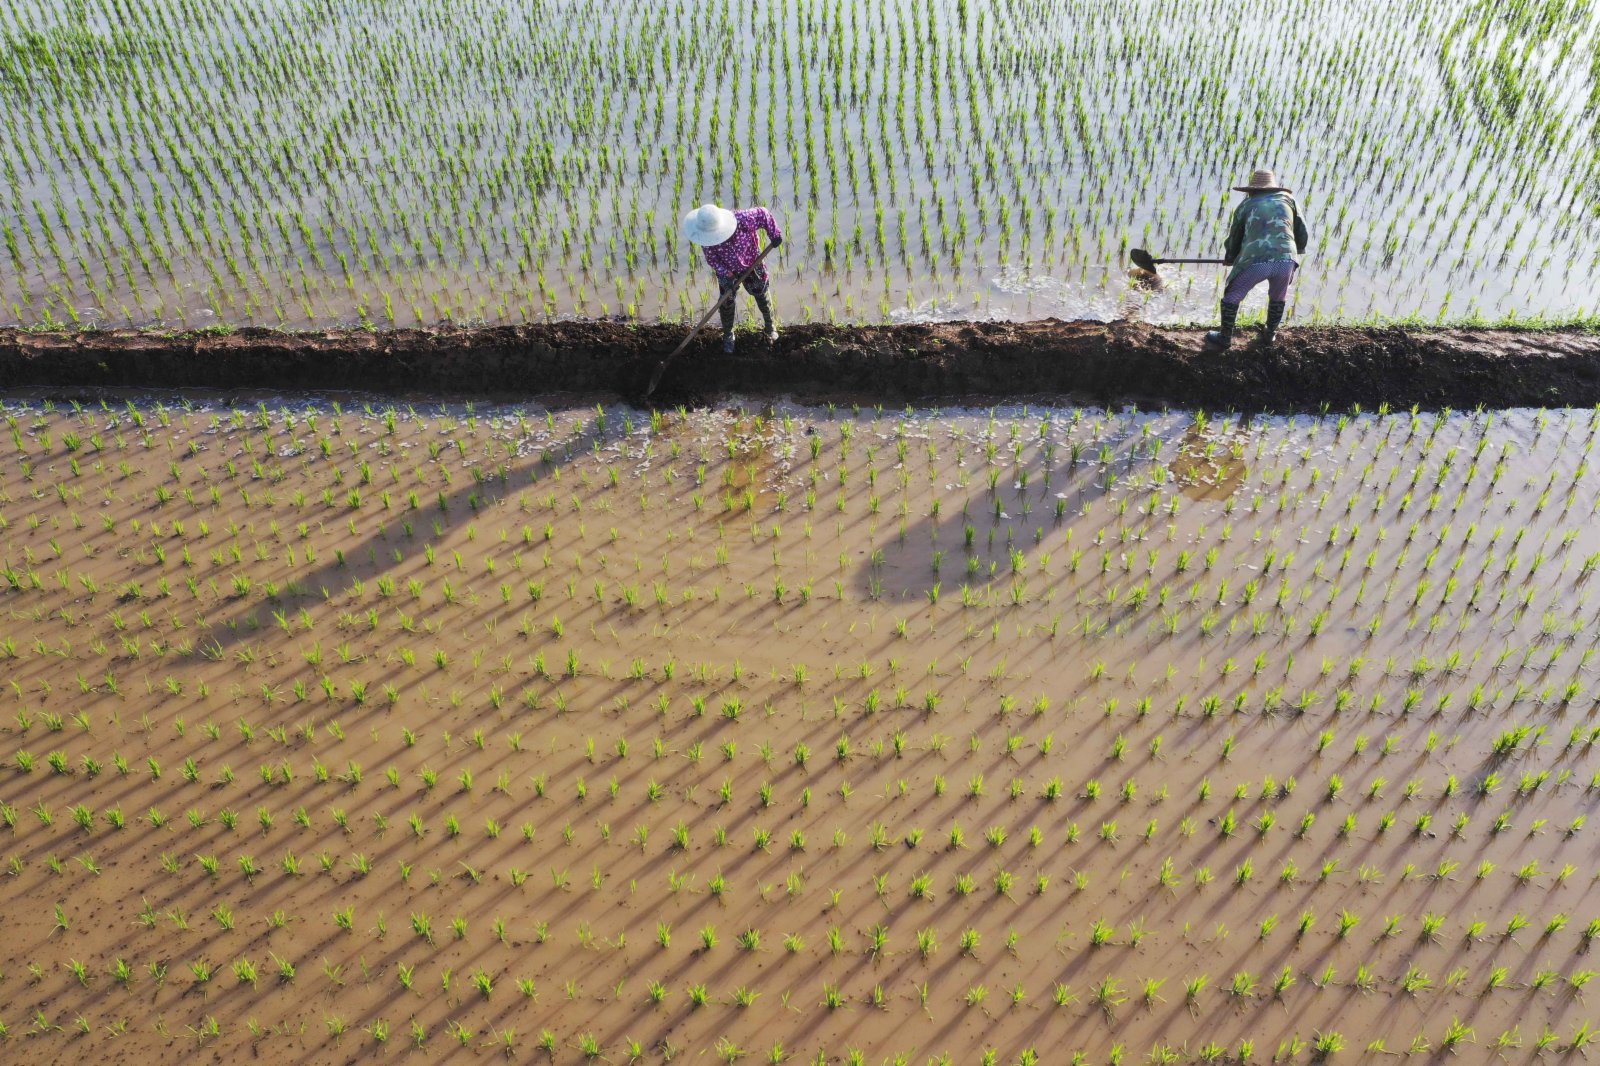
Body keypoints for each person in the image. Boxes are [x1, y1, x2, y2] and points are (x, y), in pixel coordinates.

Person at [1204, 170, 1309, 350]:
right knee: (1278, 297)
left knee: (1232, 297)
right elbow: (1302, 230)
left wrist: (1230, 257)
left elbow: (1235, 236)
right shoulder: (1289, 200)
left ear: (1252, 190)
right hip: (1286, 260)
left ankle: (1224, 337)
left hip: (1255, 260)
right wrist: (1294, 251)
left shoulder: (1246, 205)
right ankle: (1270, 334)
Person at [682, 203, 783, 353]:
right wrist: (726, 272)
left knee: (760, 291)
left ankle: (770, 326)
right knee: (726, 301)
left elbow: (763, 214)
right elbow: (712, 260)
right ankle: (729, 335)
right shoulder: (705, 236)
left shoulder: (742, 219)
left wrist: (774, 234)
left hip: (752, 262)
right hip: (727, 271)